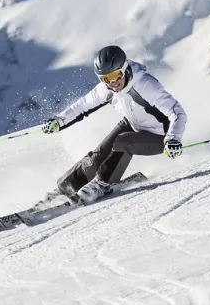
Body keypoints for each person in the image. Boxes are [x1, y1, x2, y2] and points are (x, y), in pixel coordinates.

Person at [42, 46, 188, 203]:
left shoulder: (145, 85)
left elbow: (178, 113)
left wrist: (173, 138)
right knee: (95, 158)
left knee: (123, 141)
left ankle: (103, 183)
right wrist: (59, 121)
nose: (113, 82)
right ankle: (65, 188)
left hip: (160, 136)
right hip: (133, 124)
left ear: (125, 69)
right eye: (106, 78)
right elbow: (82, 106)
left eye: (116, 75)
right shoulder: (107, 89)